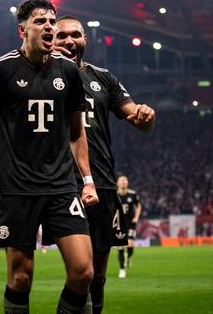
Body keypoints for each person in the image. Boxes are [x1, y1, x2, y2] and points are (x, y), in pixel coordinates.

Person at [0, 0, 99, 314]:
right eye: (40, 21)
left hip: (61, 186)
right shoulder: (1, 70)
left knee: (84, 271)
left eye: (52, 21)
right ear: (22, 30)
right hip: (17, 189)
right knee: (20, 278)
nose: (49, 27)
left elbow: (77, 132)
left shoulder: (68, 71)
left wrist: (87, 180)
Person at [53, 17, 154, 311]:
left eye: (75, 35)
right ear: (51, 40)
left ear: (85, 39)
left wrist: (146, 116)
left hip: (102, 183)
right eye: (61, 36)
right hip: (61, 183)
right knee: (80, 272)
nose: (69, 41)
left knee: (97, 276)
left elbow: (137, 119)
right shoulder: (41, 77)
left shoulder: (103, 78)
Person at [116, 175, 141, 279]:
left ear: (127, 183)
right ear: (117, 183)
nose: (123, 182)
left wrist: (136, 217)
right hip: (119, 224)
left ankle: (128, 256)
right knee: (120, 246)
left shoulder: (132, 194)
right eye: (121, 180)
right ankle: (122, 269)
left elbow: (138, 205)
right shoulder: (114, 194)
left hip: (130, 223)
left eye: (125, 180)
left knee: (130, 245)